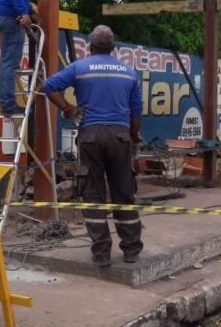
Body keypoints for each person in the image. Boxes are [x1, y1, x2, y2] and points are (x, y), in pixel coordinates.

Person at [42, 25, 143, 267]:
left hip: (90, 136)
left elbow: (48, 87)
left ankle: (101, 254)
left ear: (90, 47)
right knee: (124, 193)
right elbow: (136, 111)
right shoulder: (128, 72)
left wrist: (67, 108)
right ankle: (130, 251)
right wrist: (133, 135)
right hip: (120, 137)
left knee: (92, 194)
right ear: (113, 48)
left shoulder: (80, 68)